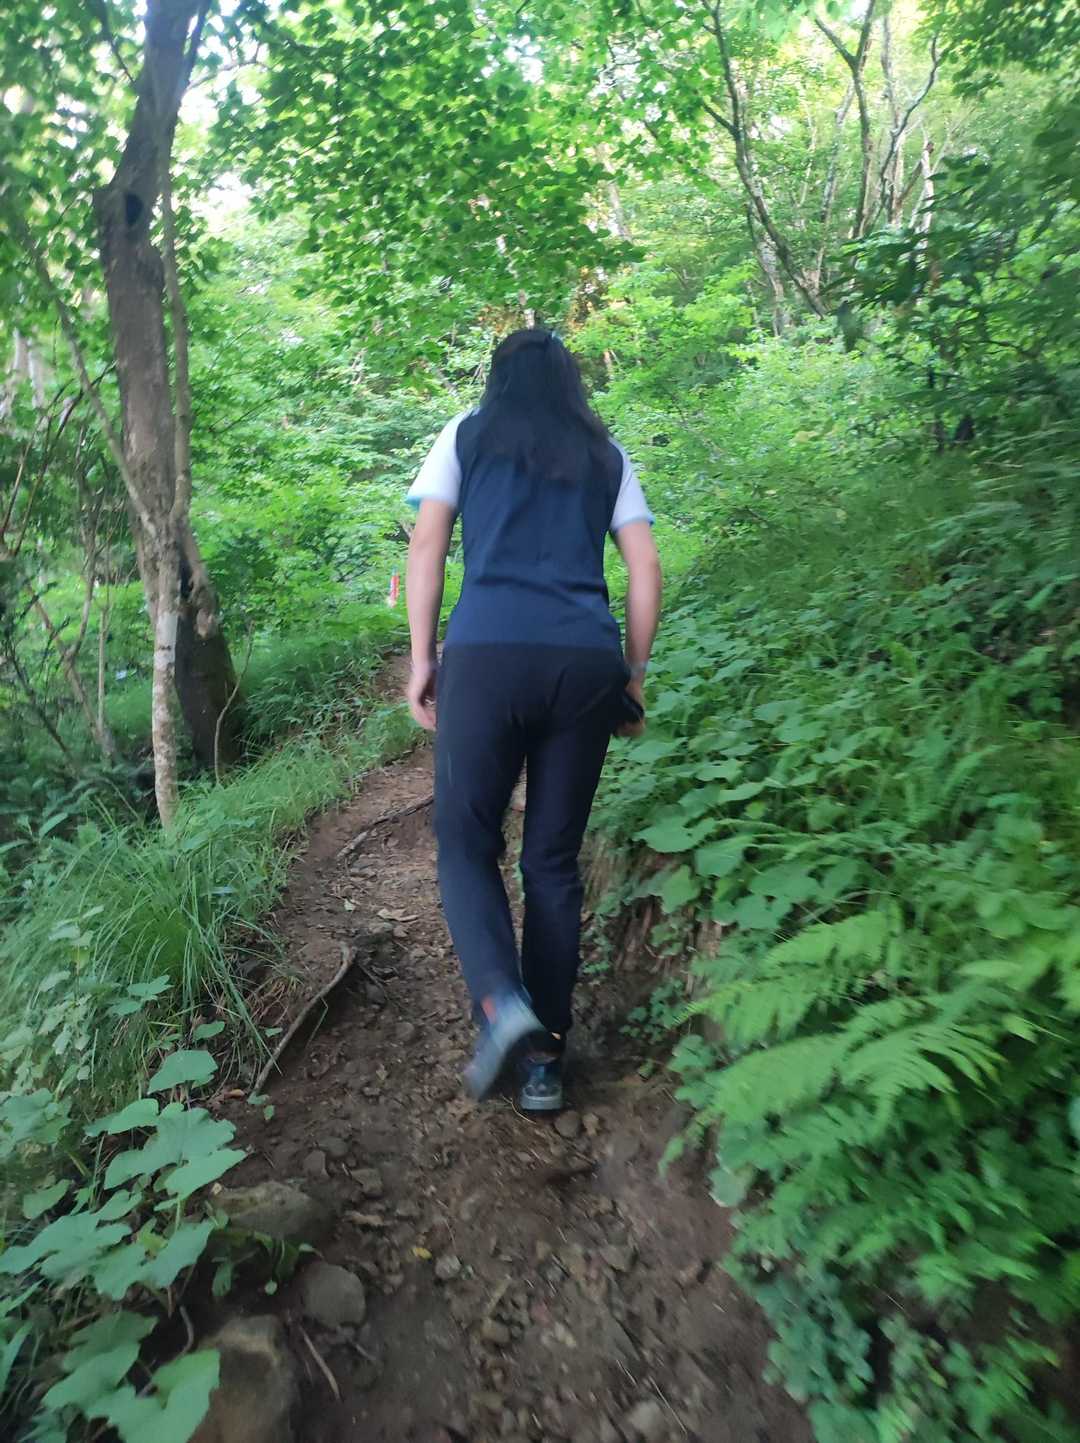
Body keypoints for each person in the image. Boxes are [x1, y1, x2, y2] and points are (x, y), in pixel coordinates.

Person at [404, 328, 662, 1113]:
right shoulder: (606, 455)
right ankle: (545, 1061)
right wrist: (633, 675)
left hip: (486, 654)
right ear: (571, 382)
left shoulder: (465, 434)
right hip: (583, 661)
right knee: (551, 859)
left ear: (498, 379)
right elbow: (645, 567)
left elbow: (427, 544)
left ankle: (500, 1001)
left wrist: (421, 659)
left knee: (465, 842)